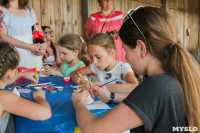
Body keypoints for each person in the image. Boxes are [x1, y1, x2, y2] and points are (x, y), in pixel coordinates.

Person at [71, 6, 200, 133]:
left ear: (141, 48)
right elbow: (145, 103)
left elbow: (92, 129)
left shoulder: (156, 86)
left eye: (125, 50)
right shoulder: (173, 78)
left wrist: (79, 103)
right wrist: (111, 96)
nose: (125, 57)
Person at [0, 42, 52, 133]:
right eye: (17, 69)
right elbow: (45, 113)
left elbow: (4, 77)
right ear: (11, 73)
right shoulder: (3, 97)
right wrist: (40, 97)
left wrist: (21, 74)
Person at [70, 32, 138, 95]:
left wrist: (95, 86)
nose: (94, 62)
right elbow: (74, 73)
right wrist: (76, 77)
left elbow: (134, 86)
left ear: (112, 53)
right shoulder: (96, 66)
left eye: (98, 57)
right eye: (91, 57)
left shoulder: (123, 67)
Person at [0, 0, 47, 70]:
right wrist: (29, 47)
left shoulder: (29, 9)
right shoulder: (1, 10)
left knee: (35, 78)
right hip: (14, 55)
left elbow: (38, 28)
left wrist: (44, 44)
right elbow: (3, 37)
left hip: (33, 52)